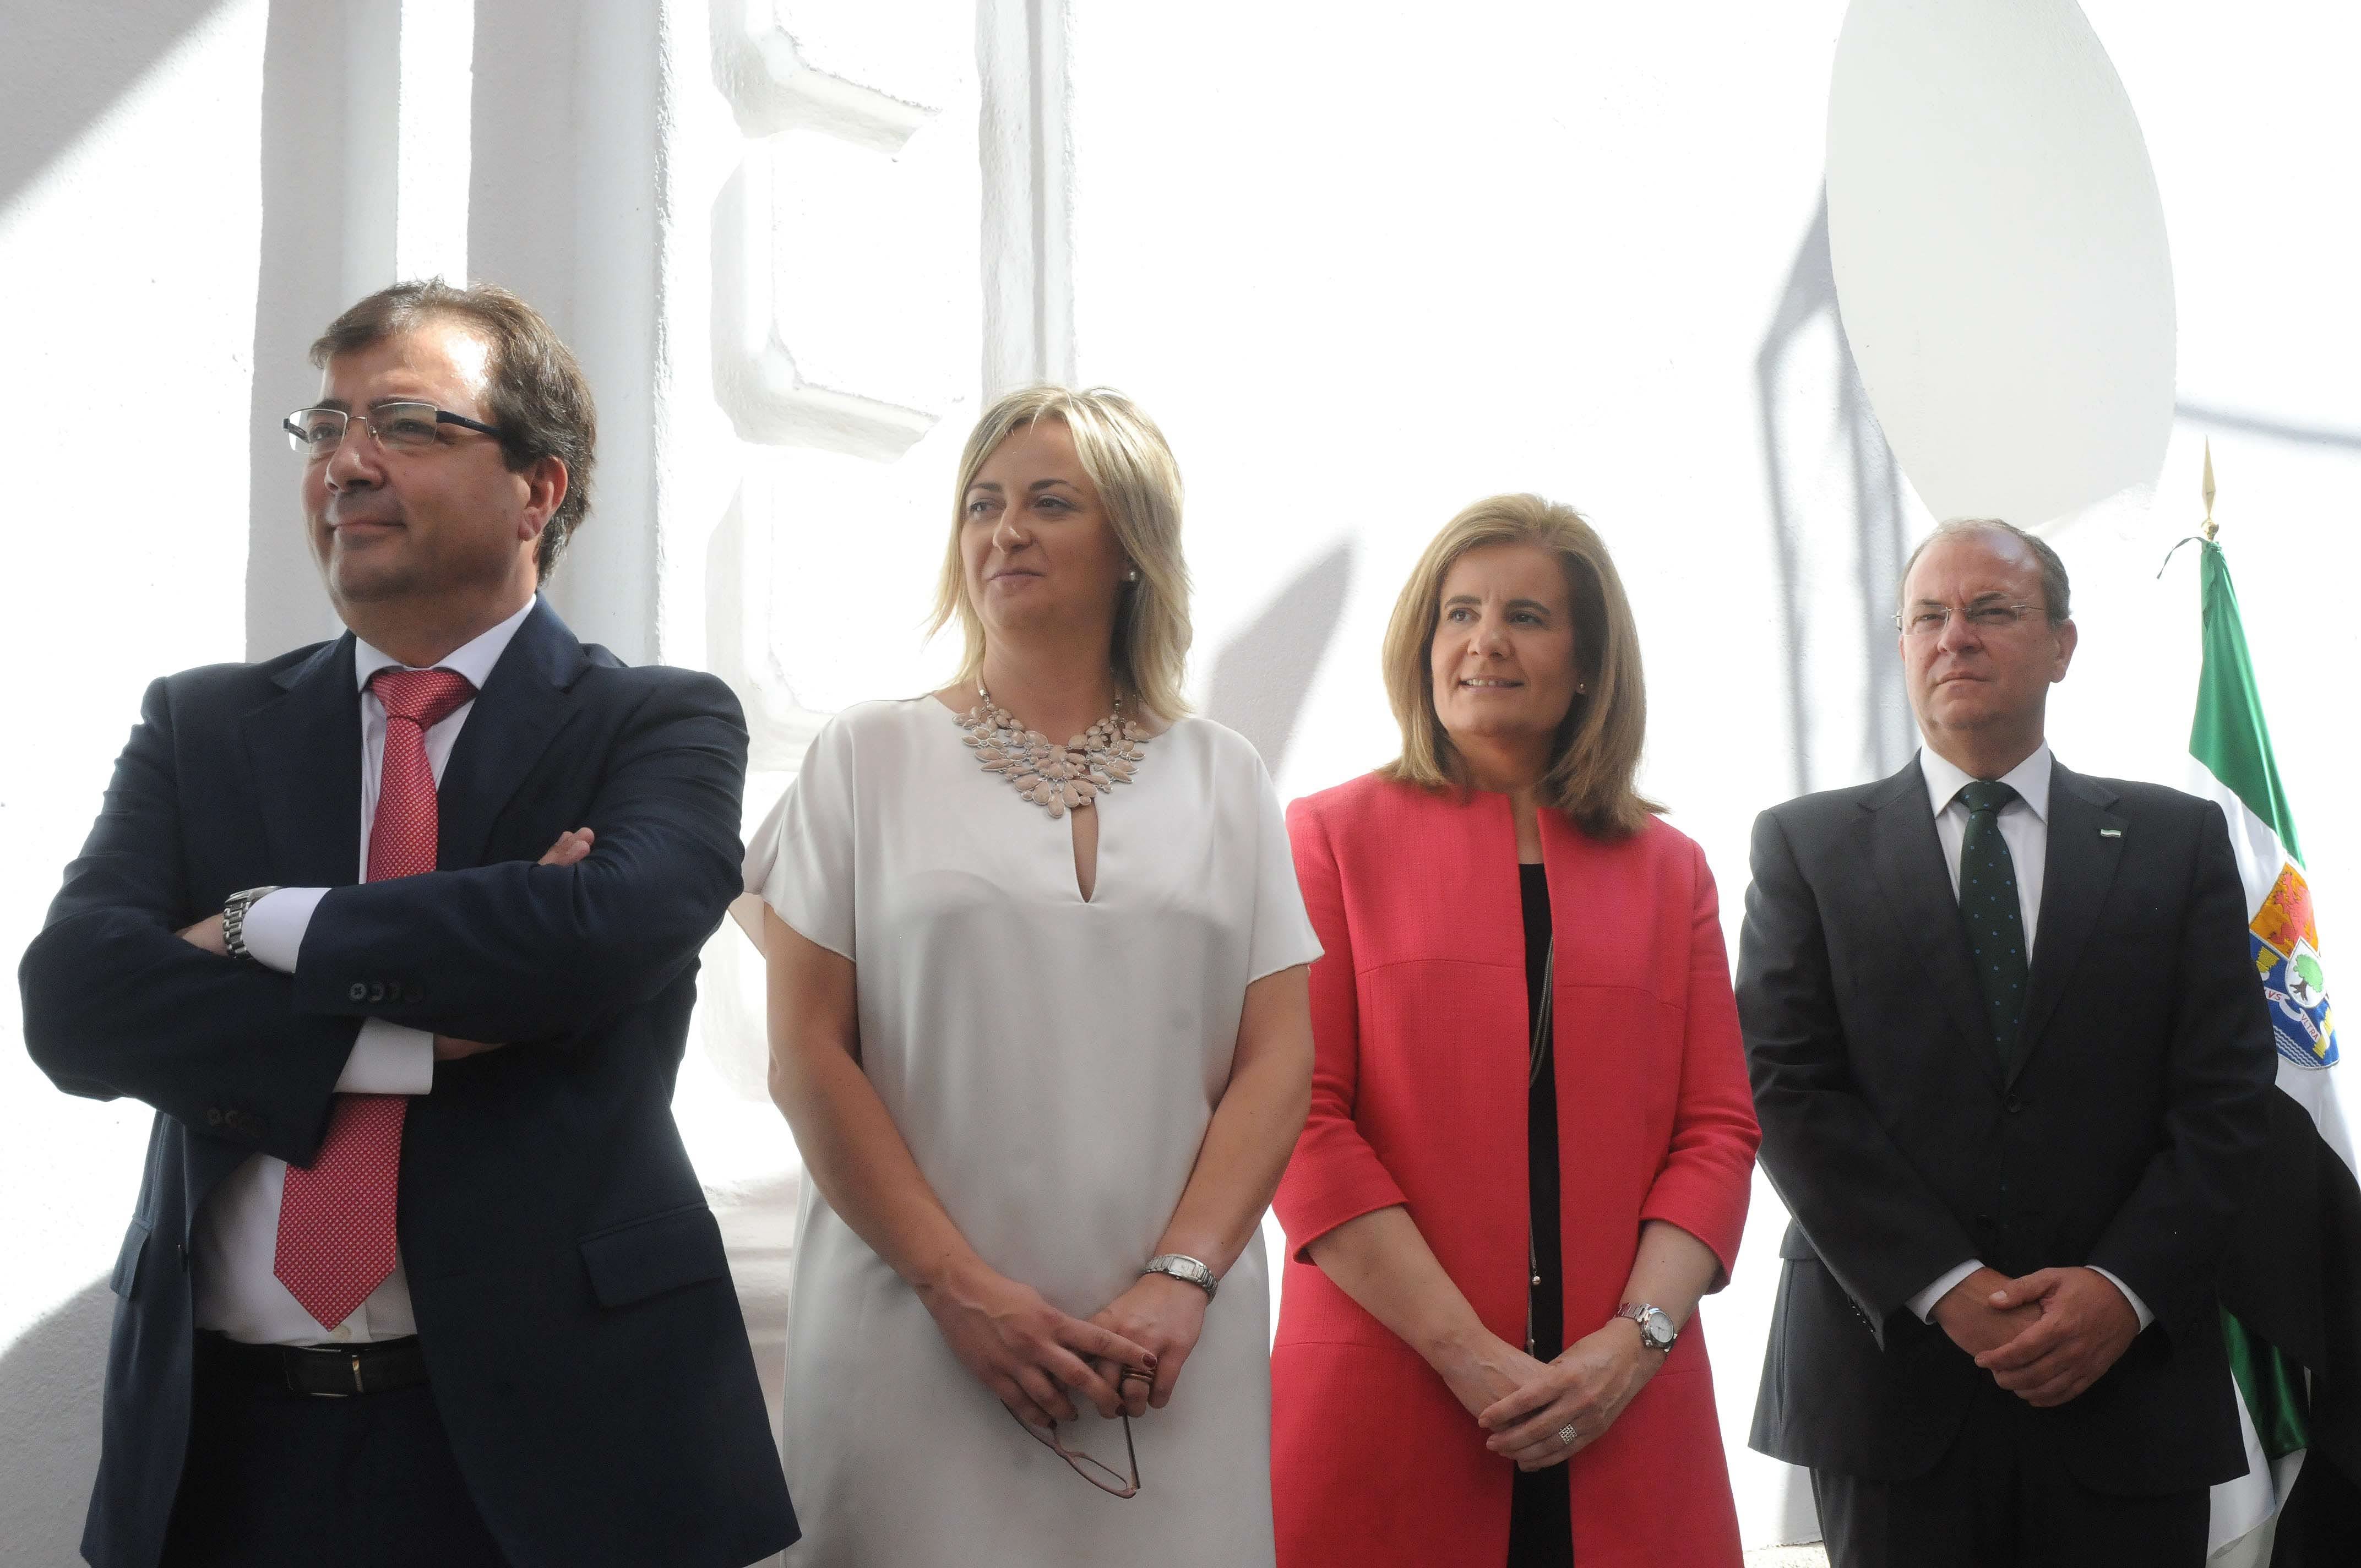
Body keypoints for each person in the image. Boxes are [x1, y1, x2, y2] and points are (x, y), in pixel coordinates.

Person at [19, 280, 795, 1568]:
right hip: (223, 1453)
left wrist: (257, 919)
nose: (347, 462)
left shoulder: (656, 720)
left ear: (538, 488)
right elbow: (77, 1004)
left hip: (563, 1454)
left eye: (406, 425)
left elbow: (609, 923)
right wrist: (415, 1037)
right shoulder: (200, 724)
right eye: (323, 426)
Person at [745, 384, 1320, 1564]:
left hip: (1167, 1351)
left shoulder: (1225, 775)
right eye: (981, 504)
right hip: (910, 1325)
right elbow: (807, 1051)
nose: (1003, 530)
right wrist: (956, 1287)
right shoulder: (868, 754)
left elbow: (1277, 1062)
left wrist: (1181, 1281)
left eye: (1049, 502)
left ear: (1131, 547)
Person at [1737, 518, 2276, 1567]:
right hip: (1892, 1380)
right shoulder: (1804, 845)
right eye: (1929, 617)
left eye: (1991, 611)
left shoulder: (2176, 841)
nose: (1956, 639)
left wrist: (2121, 1290)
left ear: (2064, 645)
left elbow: (2225, 1093)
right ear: (1902, 647)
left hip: (2130, 1384)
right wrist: (1947, 1285)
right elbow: (1785, 1090)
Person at [1269, 494, 1760, 1567]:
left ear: (1586, 663)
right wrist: (1467, 1354)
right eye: (1458, 612)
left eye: (1524, 616)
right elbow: (1300, 1122)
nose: (1483, 639)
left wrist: (1629, 1347)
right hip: (1388, 1400)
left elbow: (1716, 1132)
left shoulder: (1669, 868)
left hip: (1627, 1416)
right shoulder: (1326, 836)